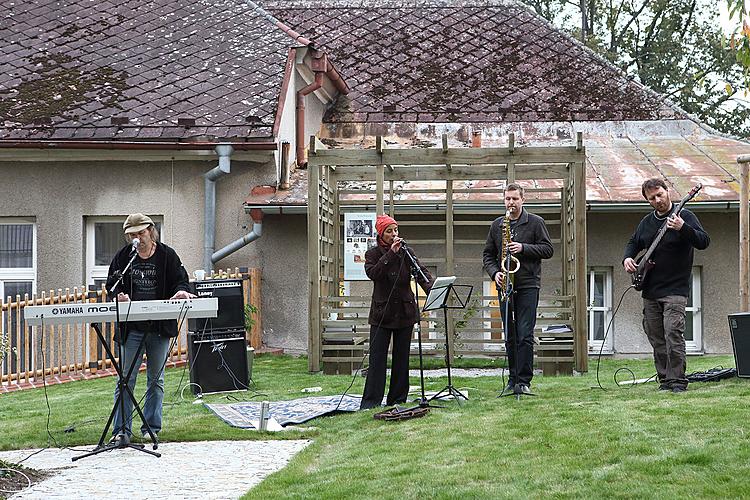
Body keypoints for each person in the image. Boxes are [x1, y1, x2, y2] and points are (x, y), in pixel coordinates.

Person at [106, 213, 195, 444]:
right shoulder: (123, 258)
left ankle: (151, 427)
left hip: (158, 328)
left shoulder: (167, 255)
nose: (138, 238)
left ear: (151, 231)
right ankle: (121, 430)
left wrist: (181, 291)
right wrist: (119, 295)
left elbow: (181, 280)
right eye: (132, 235)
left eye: (141, 233)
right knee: (125, 379)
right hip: (131, 329)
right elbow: (111, 286)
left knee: (156, 380)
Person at [623, 178, 709, 393]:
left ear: (668, 191)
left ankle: (678, 381)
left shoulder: (686, 216)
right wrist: (627, 258)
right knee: (656, 336)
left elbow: (703, 241)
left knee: (673, 334)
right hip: (651, 290)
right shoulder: (646, 222)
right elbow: (633, 242)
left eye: (660, 194)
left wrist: (682, 228)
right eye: (652, 198)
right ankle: (665, 379)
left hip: (675, 290)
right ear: (648, 201)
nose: (658, 200)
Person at [483, 183, 553, 394]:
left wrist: (523, 248)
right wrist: (495, 273)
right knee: (510, 335)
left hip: (528, 284)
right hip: (505, 284)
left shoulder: (535, 222)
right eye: (507, 199)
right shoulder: (497, 225)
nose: (511, 203)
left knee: (524, 334)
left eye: (515, 199)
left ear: (523, 199)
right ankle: (512, 380)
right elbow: (487, 255)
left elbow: (548, 249)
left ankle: (524, 381)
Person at [360, 214, 433, 410]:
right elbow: (373, 274)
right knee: (377, 358)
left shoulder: (406, 251)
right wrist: (391, 254)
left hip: (404, 311)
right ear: (381, 234)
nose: (394, 234)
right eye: (389, 231)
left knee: (402, 358)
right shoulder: (372, 254)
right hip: (382, 313)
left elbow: (421, 272)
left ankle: (398, 399)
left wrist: (433, 290)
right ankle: (371, 402)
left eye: (396, 230)